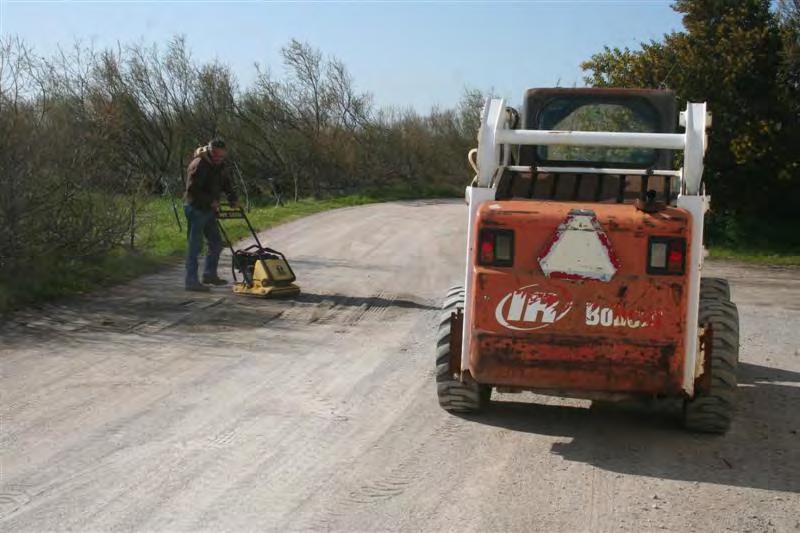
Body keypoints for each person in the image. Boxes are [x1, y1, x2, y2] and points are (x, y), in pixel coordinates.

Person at [183, 138, 238, 292]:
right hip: (195, 208)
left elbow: (226, 182)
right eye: (215, 155)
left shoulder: (220, 164)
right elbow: (192, 190)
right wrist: (210, 201)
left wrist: (233, 198)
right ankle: (191, 281)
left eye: (221, 156)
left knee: (216, 243)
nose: (218, 158)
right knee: (195, 245)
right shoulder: (199, 164)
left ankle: (209, 274)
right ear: (209, 150)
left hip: (209, 209)